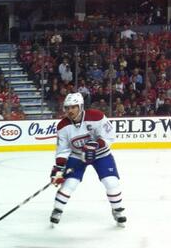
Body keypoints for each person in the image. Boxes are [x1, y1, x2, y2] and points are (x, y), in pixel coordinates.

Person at [49, 92, 126, 226]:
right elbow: (63, 149)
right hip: (77, 156)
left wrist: (96, 145)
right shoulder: (63, 126)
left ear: (80, 106)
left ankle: (117, 210)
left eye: (73, 107)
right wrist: (59, 168)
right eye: (67, 108)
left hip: (101, 154)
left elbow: (109, 136)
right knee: (69, 184)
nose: (70, 110)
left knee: (111, 182)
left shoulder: (96, 116)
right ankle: (57, 210)